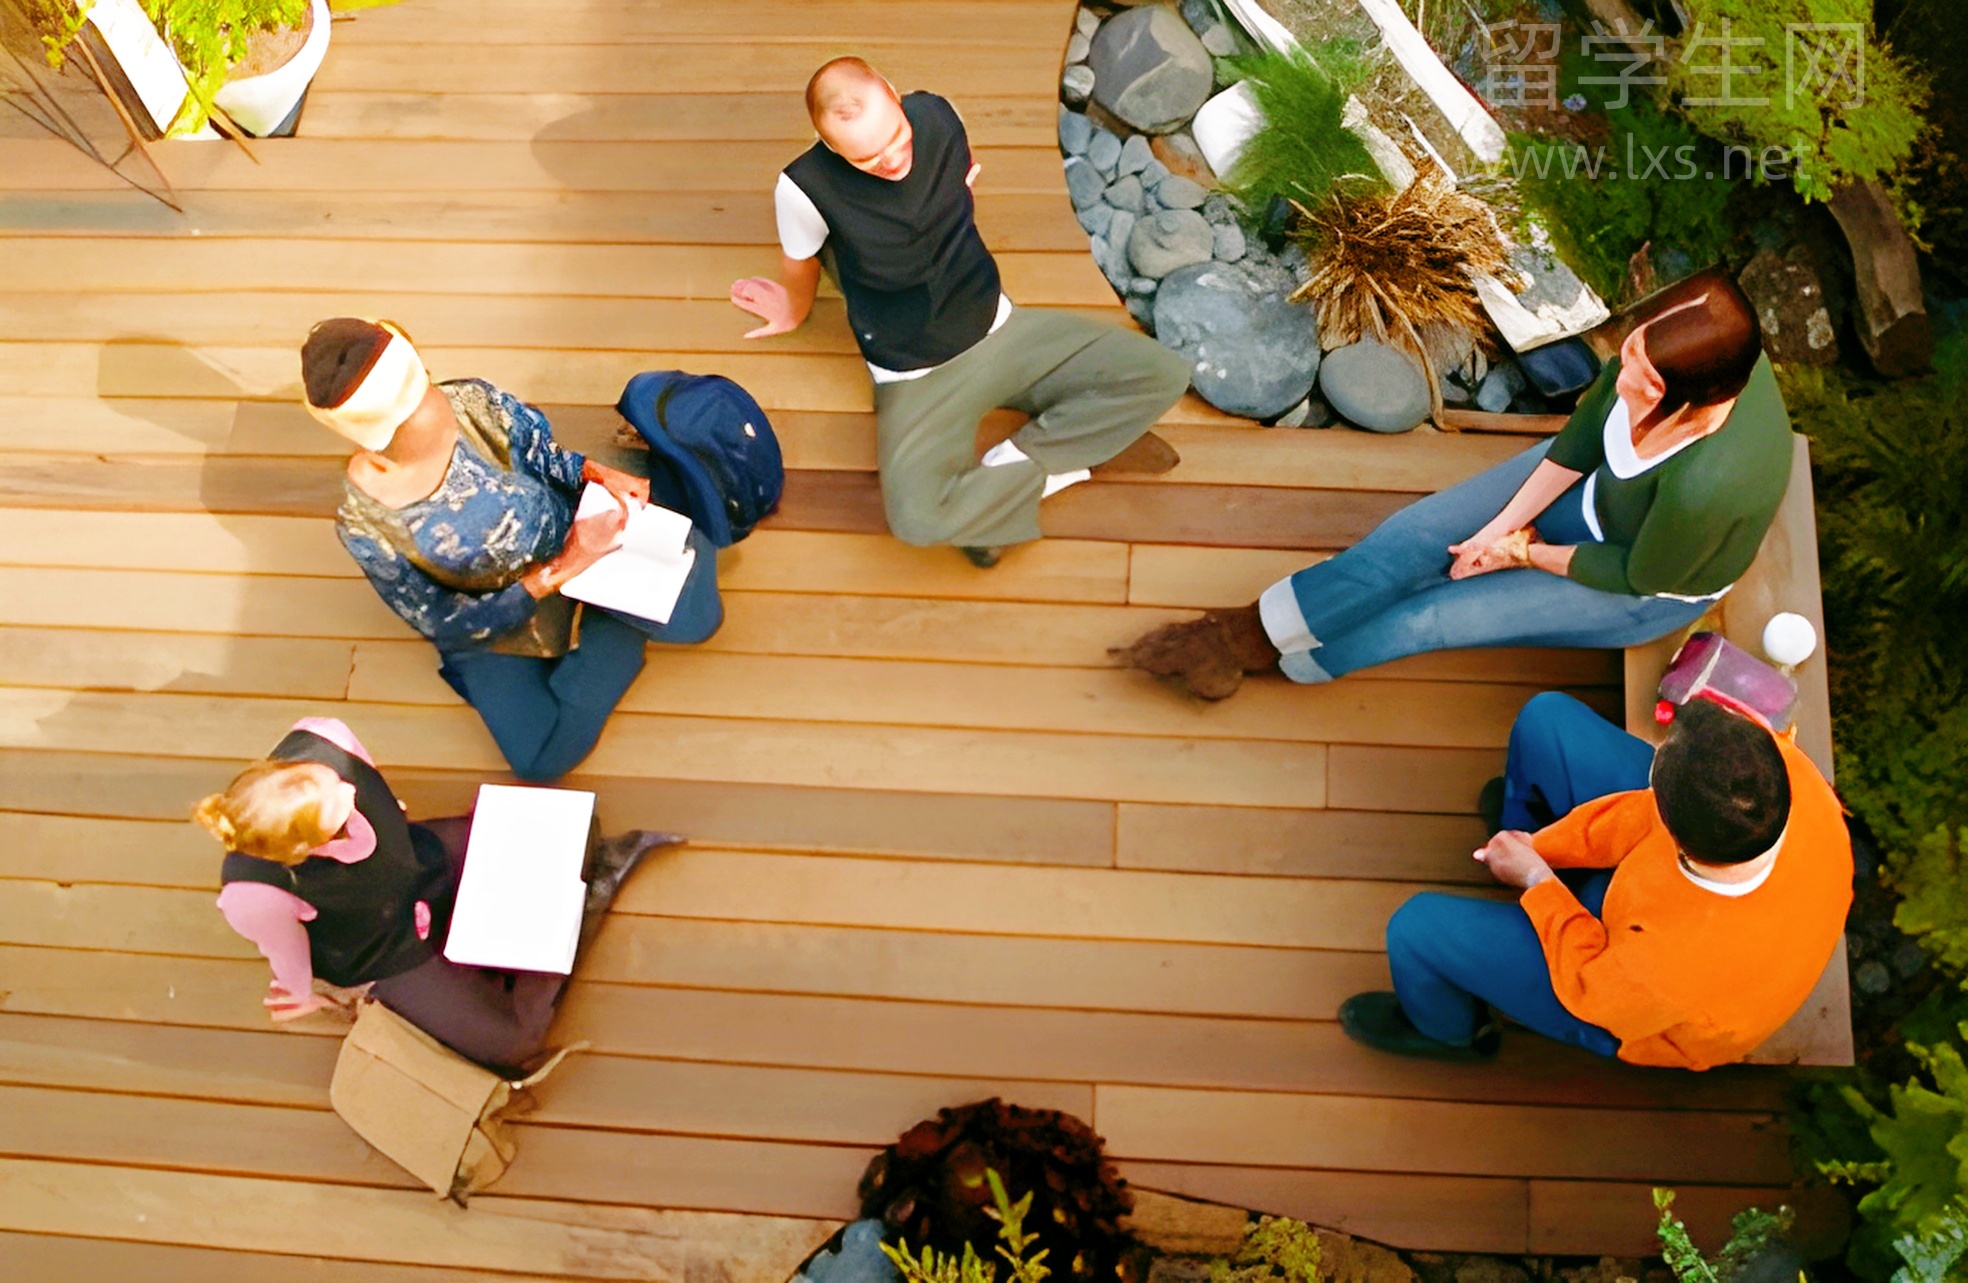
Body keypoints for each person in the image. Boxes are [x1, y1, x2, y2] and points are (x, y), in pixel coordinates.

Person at [1114, 270, 1794, 697]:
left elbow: (1635, 573)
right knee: (1417, 538)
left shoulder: (1711, 485)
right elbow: (1582, 439)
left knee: (1431, 614)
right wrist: (1497, 528)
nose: (1623, 379)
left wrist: (1517, 552)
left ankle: (1301, 665)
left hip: (1636, 583)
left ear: (1701, 402)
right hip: (1594, 496)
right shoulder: (1675, 360)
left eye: (1643, 380)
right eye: (1632, 352)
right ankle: (1248, 635)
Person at [729, 56, 1192, 566]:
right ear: (831, 148)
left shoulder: (937, 115)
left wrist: (951, 189)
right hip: (916, 372)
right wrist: (793, 309)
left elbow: (958, 174)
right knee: (916, 520)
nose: (892, 161)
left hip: (1000, 326)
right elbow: (800, 262)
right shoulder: (802, 188)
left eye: (898, 138)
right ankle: (1067, 463)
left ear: (895, 94)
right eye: (867, 159)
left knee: (1162, 373)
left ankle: (1009, 466)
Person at [302, 317, 724, 782]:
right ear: (379, 437)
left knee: (699, 620)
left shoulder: (467, 400)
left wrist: (595, 473)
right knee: (539, 761)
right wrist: (565, 570)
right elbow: (446, 622)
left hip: (576, 530)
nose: (444, 409)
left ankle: (601, 618)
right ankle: (609, 628)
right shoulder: (364, 524)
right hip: (503, 614)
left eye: (429, 390)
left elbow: (542, 453)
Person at [1340, 692, 1852, 1070]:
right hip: (1665, 907)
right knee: (1546, 719)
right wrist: (1537, 846)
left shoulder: (1670, 969)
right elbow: (1633, 817)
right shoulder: (1780, 772)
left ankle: (1451, 1031)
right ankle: (1520, 823)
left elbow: (1592, 988)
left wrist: (1538, 881)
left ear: (1678, 835)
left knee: (1415, 928)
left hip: (1632, 1001)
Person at [196, 716, 673, 1074]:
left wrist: (384, 818)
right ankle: (576, 910)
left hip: (419, 860)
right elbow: (287, 951)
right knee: (512, 1046)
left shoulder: (326, 739)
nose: (349, 789)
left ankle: (542, 928)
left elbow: (365, 782)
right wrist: (305, 993)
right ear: (304, 850)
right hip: (385, 947)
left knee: (562, 827)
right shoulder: (254, 892)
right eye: (338, 809)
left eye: (335, 780)